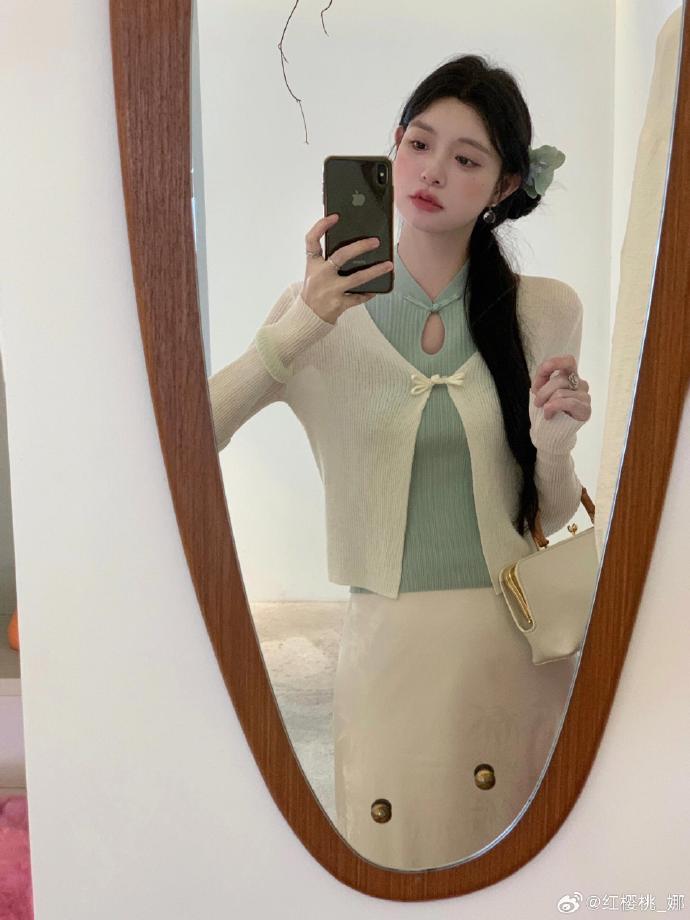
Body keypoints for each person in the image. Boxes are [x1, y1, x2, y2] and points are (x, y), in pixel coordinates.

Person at [209, 54, 592, 870]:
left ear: (504, 185)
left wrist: (554, 446)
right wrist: (298, 327)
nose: (432, 172)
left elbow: (555, 513)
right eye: (419, 144)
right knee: (393, 860)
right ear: (392, 149)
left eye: (467, 158)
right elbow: (193, 434)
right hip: (386, 645)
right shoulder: (318, 315)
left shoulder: (545, 309)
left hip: (510, 645)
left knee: (513, 871)